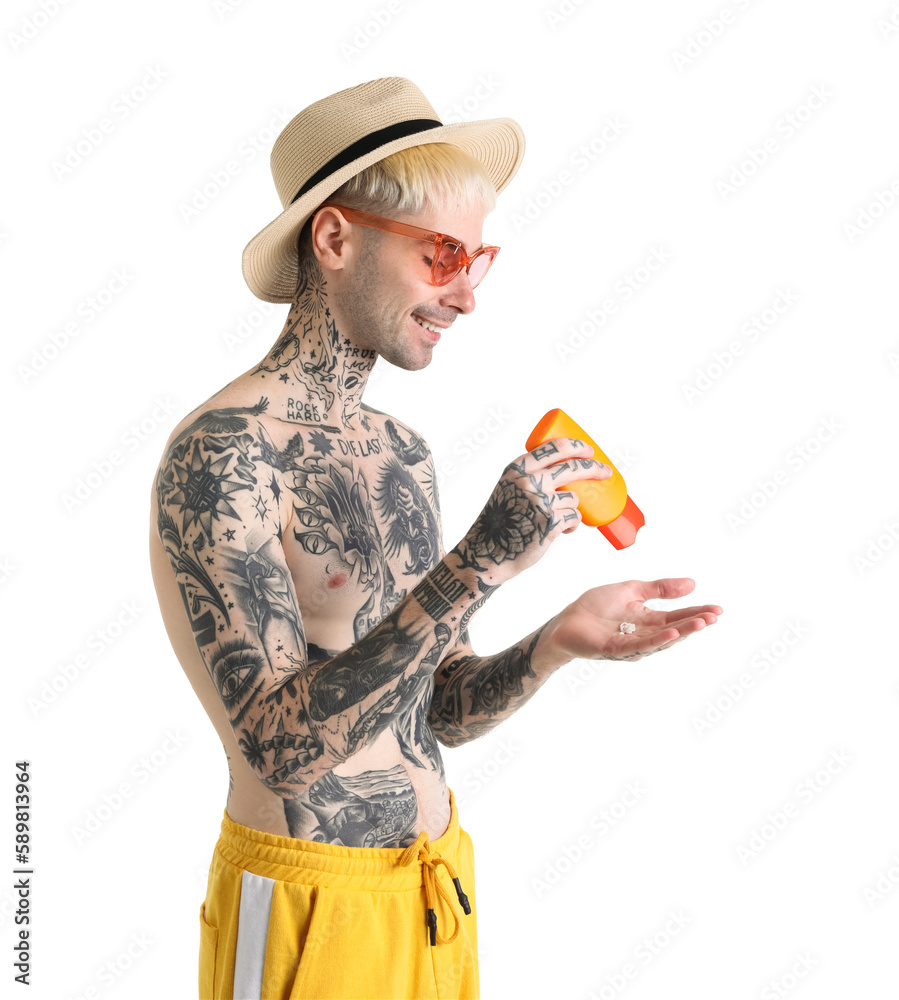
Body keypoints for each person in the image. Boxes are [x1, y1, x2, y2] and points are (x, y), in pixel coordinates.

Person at [148, 77, 723, 1000]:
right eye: (442, 254)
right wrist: (480, 561)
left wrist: (555, 642)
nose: (466, 295)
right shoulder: (226, 452)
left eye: (479, 259)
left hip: (433, 884)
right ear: (334, 239)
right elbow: (278, 749)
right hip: (307, 909)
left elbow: (436, 709)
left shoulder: (401, 454)